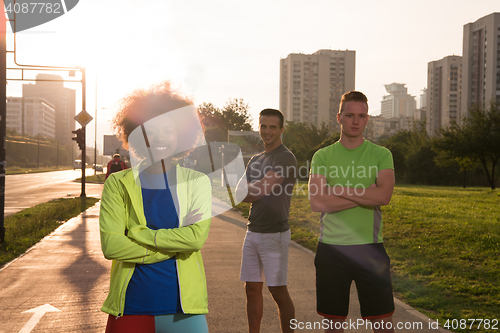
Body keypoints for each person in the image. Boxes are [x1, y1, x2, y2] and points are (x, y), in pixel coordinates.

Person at [99, 82, 211, 333]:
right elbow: (112, 245)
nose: (160, 137)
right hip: (131, 306)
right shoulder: (117, 184)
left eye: (168, 130)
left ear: (180, 135)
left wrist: (140, 234)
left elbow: (194, 239)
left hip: (184, 309)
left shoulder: (197, 182)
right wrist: (170, 249)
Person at [308, 91, 396, 333]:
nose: (355, 121)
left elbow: (384, 196)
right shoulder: (322, 156)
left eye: (361, 116)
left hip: (371, 247)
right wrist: (365, 193)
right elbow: (317, 202)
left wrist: (338, 190)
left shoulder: (381, 154)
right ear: (339, 118)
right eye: (350, 115)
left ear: (368, 119)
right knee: (333, 326)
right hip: (331, 249)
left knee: (383, 324)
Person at [235, 108, 297, 333]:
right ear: (259, 127)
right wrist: (246, 190)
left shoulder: (285, 157)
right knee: (251, 288)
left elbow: (258, 191)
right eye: (263, 126)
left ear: (281, 129)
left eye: (273, 127)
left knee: (278, 291)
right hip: (253, 231)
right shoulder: (256, 159)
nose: (267, 131)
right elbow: (241, 193)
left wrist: (246, 190)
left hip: (275, 234)